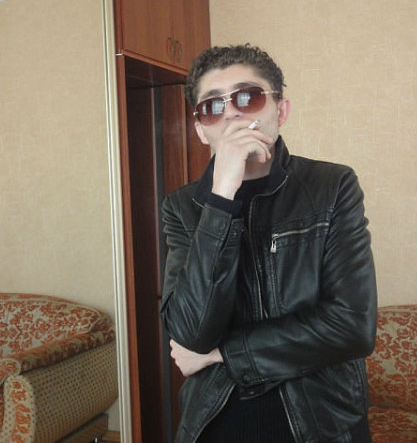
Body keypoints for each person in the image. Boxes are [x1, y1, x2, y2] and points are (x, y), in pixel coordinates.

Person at [160, 44, 377, 443]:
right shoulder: (182, 207)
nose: (231, 113)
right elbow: (191, 333)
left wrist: (221, 353)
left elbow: (352, 327)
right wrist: (221, 198)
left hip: (322, 420)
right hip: (216, 419)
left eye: (248, 97)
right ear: (201, 129)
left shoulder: (332, 186)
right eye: (212, 106)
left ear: (281, 110)